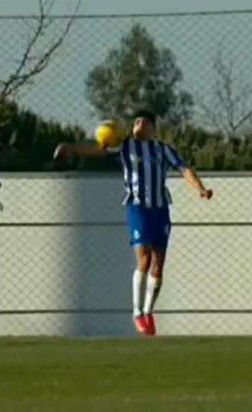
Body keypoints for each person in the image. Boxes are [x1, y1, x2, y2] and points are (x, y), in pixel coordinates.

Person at [54, 109, 213, 336]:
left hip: (160, 209)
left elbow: (183, 168)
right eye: (135, 121)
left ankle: (148, 312)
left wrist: (200, 189)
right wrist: (72, 148)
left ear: (152, 128)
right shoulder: (125, 146)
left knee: (158, 263)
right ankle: (137, 312)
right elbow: (98, 150)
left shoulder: (162, 149)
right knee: (145, 257)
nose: (137, 125)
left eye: (143, 122)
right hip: (137, 207)